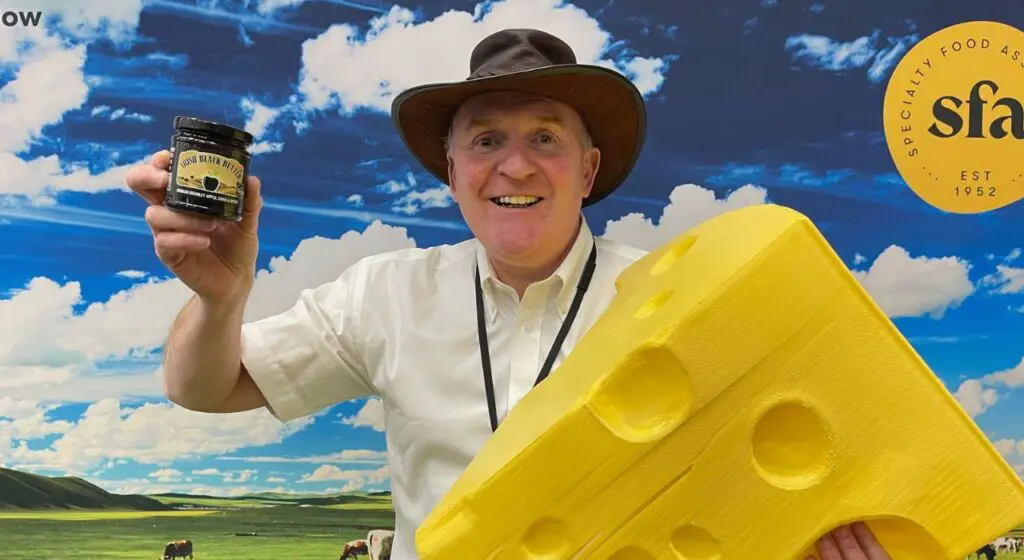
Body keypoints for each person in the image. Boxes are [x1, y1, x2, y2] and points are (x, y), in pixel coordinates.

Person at [126, 27, 895, 560]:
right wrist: (221, 299)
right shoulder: (384, 292)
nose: (515, 166)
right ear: (452, 172)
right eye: (487, 140)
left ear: (587, 171)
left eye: (545, 138)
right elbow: (205, 388)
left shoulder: (686, 296)